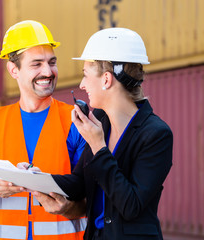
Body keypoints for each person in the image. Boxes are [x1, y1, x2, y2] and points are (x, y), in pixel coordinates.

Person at [32, 27, 173, 240]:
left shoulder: (156, 135)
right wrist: (32, 178)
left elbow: (131, 206)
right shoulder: (101, 122)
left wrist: (98, 146)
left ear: (106, 79)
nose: (81, 85)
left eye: (85, 76)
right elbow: (78, 184)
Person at [0, 20, 87, 240]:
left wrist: (65, 207)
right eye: (36, 64)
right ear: (14, 70)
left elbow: (92, 202)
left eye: (52, 62)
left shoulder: (76, 122)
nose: (48, 71)